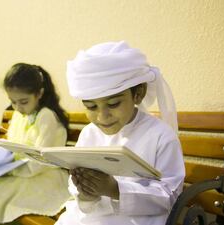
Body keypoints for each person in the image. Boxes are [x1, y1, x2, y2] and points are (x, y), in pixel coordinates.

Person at [55, 41, 185, 225]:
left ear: (138, 93)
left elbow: (169, 196)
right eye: (91, 107)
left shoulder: (161, 136)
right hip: (89, 218)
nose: (102, 116)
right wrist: (85, 191)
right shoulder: (89, 133)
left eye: (113, 104)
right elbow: (75, 188)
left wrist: (115, 189)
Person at [0, 63, 71, 225]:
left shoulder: (47, 117)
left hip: (43, 178)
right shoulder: (19, 114)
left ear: (39, 94)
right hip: (18, 172)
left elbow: (40, 162)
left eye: (23, 101)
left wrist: (9, 168)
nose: (18, 108)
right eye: (13, 102)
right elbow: (12, 145)